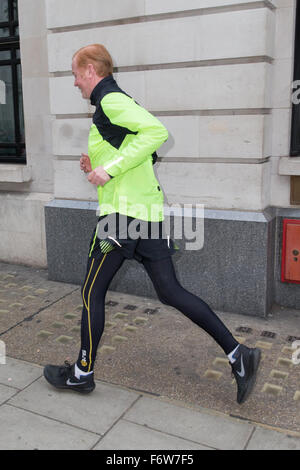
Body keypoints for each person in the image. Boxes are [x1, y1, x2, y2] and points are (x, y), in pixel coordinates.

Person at [43, 44, 261, 404]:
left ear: (91, 71)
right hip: (145, 213)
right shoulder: (115, 103)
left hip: (120, 219)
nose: (74, 83)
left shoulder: (111, 100)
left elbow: (156, 134)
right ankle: (239, 355)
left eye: (75, 74)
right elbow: (145, 151)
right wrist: (98, 164)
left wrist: (108, 169)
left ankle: (81, 373)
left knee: (90, 292)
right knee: (170, 291)